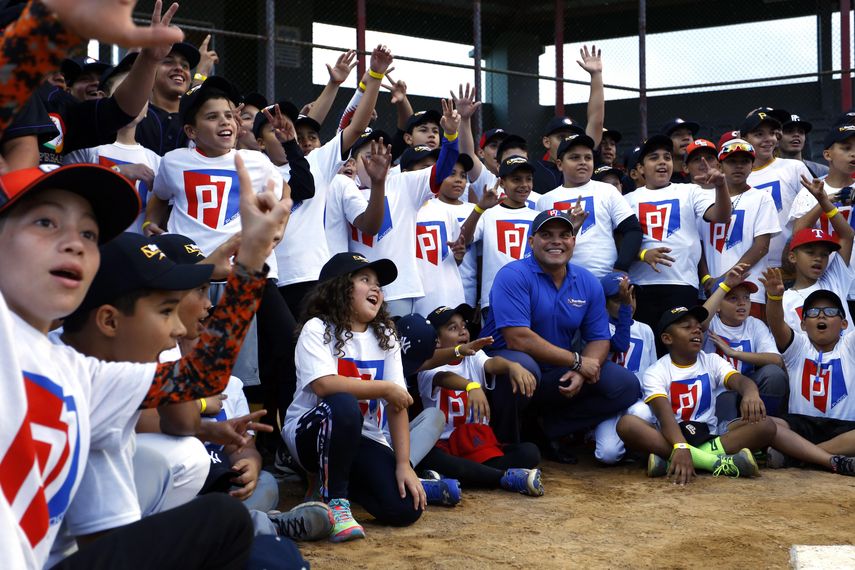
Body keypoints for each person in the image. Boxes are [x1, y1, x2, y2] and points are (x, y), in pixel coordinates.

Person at [0, 152, 289, 567]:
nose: (74, 243)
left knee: (230, 527)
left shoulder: (82, 377)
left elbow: (202, 374)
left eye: (89, 233)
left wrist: (252, 259)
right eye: (45, 222)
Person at [282, 253, 427, 542]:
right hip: (310, 433)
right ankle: (333, 501)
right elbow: (324, 385)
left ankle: (340, 487)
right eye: (365, 280)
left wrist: (403, 464)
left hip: (364, 438)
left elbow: (398, 403)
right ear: (338, 288)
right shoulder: (317, 328)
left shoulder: (385, 334)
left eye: (378, 284)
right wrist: (384, 388)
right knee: (343, 402)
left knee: (404, 508)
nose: (376, 289)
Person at [478, 210, 641, 462]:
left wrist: (581, 369)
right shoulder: (513, 275)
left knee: (625, 384)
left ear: (573, 241)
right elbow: (518, 339)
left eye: (564, 235)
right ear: (531, 242)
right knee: (524, 365)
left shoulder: (586, 281)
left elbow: (599, 339)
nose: (556, 241)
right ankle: (505, 444)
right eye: (546, 235)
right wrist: (576, 362)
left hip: (555, 370)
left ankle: (547, 429)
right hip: (503, 365)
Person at [615, 305, 777, 483]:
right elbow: (664, 414)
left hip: (709, 436)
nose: (696, 331)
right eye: (687, 327)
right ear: (667, 338)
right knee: (627, 424)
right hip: (671, 436)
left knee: (766, 425)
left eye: (699, 328)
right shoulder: (656, 371)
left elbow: (739, 381)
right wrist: (681, 444)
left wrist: (751, 392)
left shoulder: (712, 360)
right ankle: (714, 462)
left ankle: (671, 463)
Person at [415, 304, 544, 496]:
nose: (462, 331)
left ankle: (455, 477)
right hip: (446, 445)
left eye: (464, 326)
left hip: (478, 444)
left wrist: (512, 366)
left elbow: (492, 364)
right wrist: (471, 385)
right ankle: (503, 477)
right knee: (429, 456)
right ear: (437, 341)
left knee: (530, 452)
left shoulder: (473, 357)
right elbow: (442, 377)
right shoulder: (426, 366)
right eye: (452, 328)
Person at [625, 135, 731, 355]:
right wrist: (643, 254)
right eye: (654, 158)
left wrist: (721, 186)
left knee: (680, 352)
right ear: (641, 168)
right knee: (648, 350)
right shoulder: (627, 200)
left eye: (667, 157)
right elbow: (617, 245)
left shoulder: (689, 191)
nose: (663, 162)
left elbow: (721, 216)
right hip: (640, 286)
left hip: (682, 284)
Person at [759, 271, 855, 475]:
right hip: (800, 426)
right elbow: (777, 325)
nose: (821, 315)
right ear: (803, 324)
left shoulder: (850, 346)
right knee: (757, 423)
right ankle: (829, 458)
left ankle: (799, 456)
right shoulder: (798, 347)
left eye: (830, 311)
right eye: (812, 313)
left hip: (845, 428)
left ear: (844, 324)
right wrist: (775, 298)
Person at [536, 133, 642, 278]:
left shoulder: (607, 190)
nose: (583, 162)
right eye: (575, 157)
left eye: (588, 157)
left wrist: (620, 268)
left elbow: (633, 230)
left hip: (604, 278)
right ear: (560, 164)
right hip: (559, 280)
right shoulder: (544, 200)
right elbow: (538, 244)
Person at [700, 139, 780, 318]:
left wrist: (725, 278)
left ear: (752, 166)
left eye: (744, 161)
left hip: (749, 291)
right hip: (710, 292)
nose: (738, 166)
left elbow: (761, 246)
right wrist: (707, 279)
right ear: (720, 166)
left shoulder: (762, 198)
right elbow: (698, 243)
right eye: (732, 162)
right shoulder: (703, 199)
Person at [700, 266, 788, 423]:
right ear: (718, 305)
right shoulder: (711, 324)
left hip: (748, 389)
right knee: (725, 409)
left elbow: (776, 360)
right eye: (733, 298)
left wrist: (734, 353)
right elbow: (699, 323)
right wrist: (724, 287)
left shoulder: (754, 324)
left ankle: (767, 425)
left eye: (746, 298)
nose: (742, 303)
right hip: (716, 391)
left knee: (773, 374)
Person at [459, 155, 539, 319]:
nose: (524, 185)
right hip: (495, 299)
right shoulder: (488, 214)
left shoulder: (538, 217)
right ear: (502, 183)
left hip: (533, 297)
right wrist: (480, 208)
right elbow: (464, 239)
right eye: (516, 179)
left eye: (528, 179)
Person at [742, 107, 813, 269]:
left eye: (772, 133)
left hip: (791, 262)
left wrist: (794, 247)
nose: (768, 139)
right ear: (744, 139)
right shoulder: (738, 178)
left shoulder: (795, 168)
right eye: (759, 134)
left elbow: (813, 214)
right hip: (751, 267)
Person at [782, 179, 855, 334]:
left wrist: (824, 201)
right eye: (810, 252)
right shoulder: (784, 301)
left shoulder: (834, 279)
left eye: (824, 254)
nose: (818, 258)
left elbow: (847, 235)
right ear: (792, 257)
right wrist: (822, 202)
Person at [532, 45, 604, 194]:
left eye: (573, 137)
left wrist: (596, 75)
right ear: (546, 142)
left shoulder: (584, 164)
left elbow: (596, 121)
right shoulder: (533, 171)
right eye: (561, 137)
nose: (568, 141)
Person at [779, 114, 828, 178]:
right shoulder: (767, 172)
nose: (796, 134)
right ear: (777, 138)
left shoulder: (822, 172)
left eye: (801, 132)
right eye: (789, 131)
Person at [660, 117, 700, 183]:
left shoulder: (702, 174)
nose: (686, 138)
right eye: (677, 135)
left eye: (689, 134)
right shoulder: (660, 180)